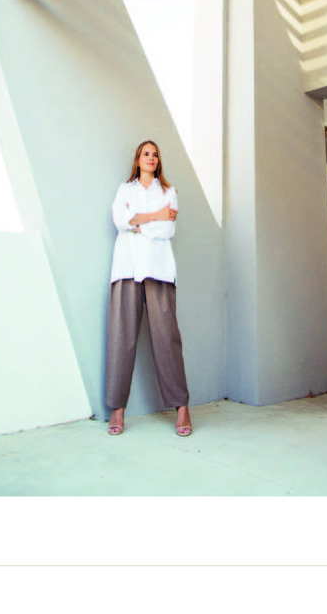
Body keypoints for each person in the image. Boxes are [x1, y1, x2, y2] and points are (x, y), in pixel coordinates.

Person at [106, 140, 192, 437]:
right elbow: (120, 221)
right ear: (138, 159)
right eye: (146, 153)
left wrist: (137, 222)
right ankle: (117, 409)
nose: (151, 157)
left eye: (155, 154)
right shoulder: (124, 190)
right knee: (121, 338)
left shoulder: (168, 191)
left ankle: (182, 408)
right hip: (126, 268)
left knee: (167, 339)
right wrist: (155, 216)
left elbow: (168, 229)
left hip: (159, 269)